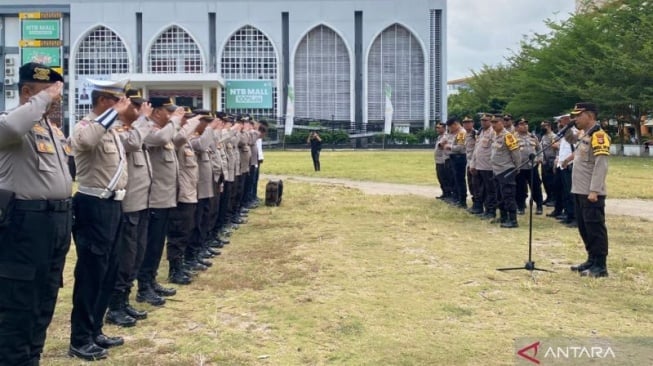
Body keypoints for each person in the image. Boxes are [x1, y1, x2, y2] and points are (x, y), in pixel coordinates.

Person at [0, 63, 70, 366]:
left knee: (45, 298)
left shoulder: (48, 130)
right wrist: (43, 99)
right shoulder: (10, 125)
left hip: (56, 222)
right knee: (19, 304)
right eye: (47, 94)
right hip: (25, 224)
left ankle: (32, 358)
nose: (54, 101)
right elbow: (13, 127)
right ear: (27, 92)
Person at [69, 78, 131, 361]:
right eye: (119, 100)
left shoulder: (113, 130)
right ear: (105, 101)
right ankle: (80, 338)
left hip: (113, 206)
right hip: (93, 205)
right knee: (91, 274)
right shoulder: (86, 126)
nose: (124, 104)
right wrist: (112, 114)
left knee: (108, 271)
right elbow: (86, 141)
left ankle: (95, 329)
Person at [105, 89, 152, 328]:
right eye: (136, 106)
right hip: (128, 203)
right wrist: (143, 119)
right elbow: (133, 143)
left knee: (136, 254)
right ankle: (115, 305)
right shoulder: (117, 130)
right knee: (125, 255)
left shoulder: (137, 129)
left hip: (142, 201)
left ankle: (124, 301)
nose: (142, 110)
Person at [136, 97, 184, 306]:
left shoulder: (166, 132)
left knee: (157, 245)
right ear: (156, 112)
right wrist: (175, 121)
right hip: (154, 199)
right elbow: (163, 137)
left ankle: (151, 280)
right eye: (167, 111)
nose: (170, 114)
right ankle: (143, 286)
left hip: (165, 198)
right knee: (150, 245)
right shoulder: (151, 131)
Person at [569, 102, 610, 278]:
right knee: (584, 227)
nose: (576, 118)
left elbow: (601, 165)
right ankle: (591, 259)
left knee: (595, 228)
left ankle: (600, 265)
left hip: (591, 192)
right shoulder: (583, 135)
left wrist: (594, 190)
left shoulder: (599, 136)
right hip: (579, 190)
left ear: (590, 116)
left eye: (579, 115)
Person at [490, 114, 521, 228]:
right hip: (496, 170)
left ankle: (513, 220)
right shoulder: (495, 135)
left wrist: (517, 167)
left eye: (496, 122)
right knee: (499, 195)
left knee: (508, 195)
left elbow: (516, 152)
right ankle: (503, 217)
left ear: (502, 123)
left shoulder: (508, 136)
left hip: (506, 170)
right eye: (492, 123)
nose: (493, 125)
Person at [469, 114, 497, 220]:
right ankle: (484, 209)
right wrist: (473, 164)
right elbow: (476, 150)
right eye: (482, 120)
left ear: (491, 121)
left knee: (490, 190)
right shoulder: (481, 132)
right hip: (479, 166)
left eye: (486, 120)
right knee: (481, 190)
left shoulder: (493, 133)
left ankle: (491, 211)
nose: (483, 122)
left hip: (489, 167)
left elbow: (495, 150)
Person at [514, 118, 544, 215]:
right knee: (520, 188)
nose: (524, 126)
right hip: (520, 167)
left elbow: (539, 148)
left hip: (532, 166)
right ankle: (520, 206)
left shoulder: (533, 136)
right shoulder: (513, 137)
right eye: (521, 124)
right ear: (517, 127)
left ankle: (539, 206)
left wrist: (540, 158)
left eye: (526, 124)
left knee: (536, 187)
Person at [443, 116, 467, 208]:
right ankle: (457, 198)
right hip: (454, 157)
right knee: (455, 179)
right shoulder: (455, 133)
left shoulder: (461, 133)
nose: (450, 129)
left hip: (459, 157)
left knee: (460, 180)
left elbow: (460, 147)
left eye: (451, 127)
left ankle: (462, 200)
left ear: (455, 124)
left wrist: (449, 147)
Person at [539, 120, 559, 206]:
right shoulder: (543, 137)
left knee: (552, 181)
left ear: (549, 126)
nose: (543, 128)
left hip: (551, 160)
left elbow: (557, 147)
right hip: (545, 161)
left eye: (545, 126)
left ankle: (554, 199)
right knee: (545, 180)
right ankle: (548, 197)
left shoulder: (553, 136)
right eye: (542, 126)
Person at [434, 122, 453, 200]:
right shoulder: (440, 136)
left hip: (443, 161)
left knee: (445, 178)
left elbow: (442, 146)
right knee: (441, 178)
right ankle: (444, 193)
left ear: (444, 128)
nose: (437, 129)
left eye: (439, 127)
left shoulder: (446, 136)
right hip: (438, 161)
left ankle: (448, 194)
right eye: (436, 127)